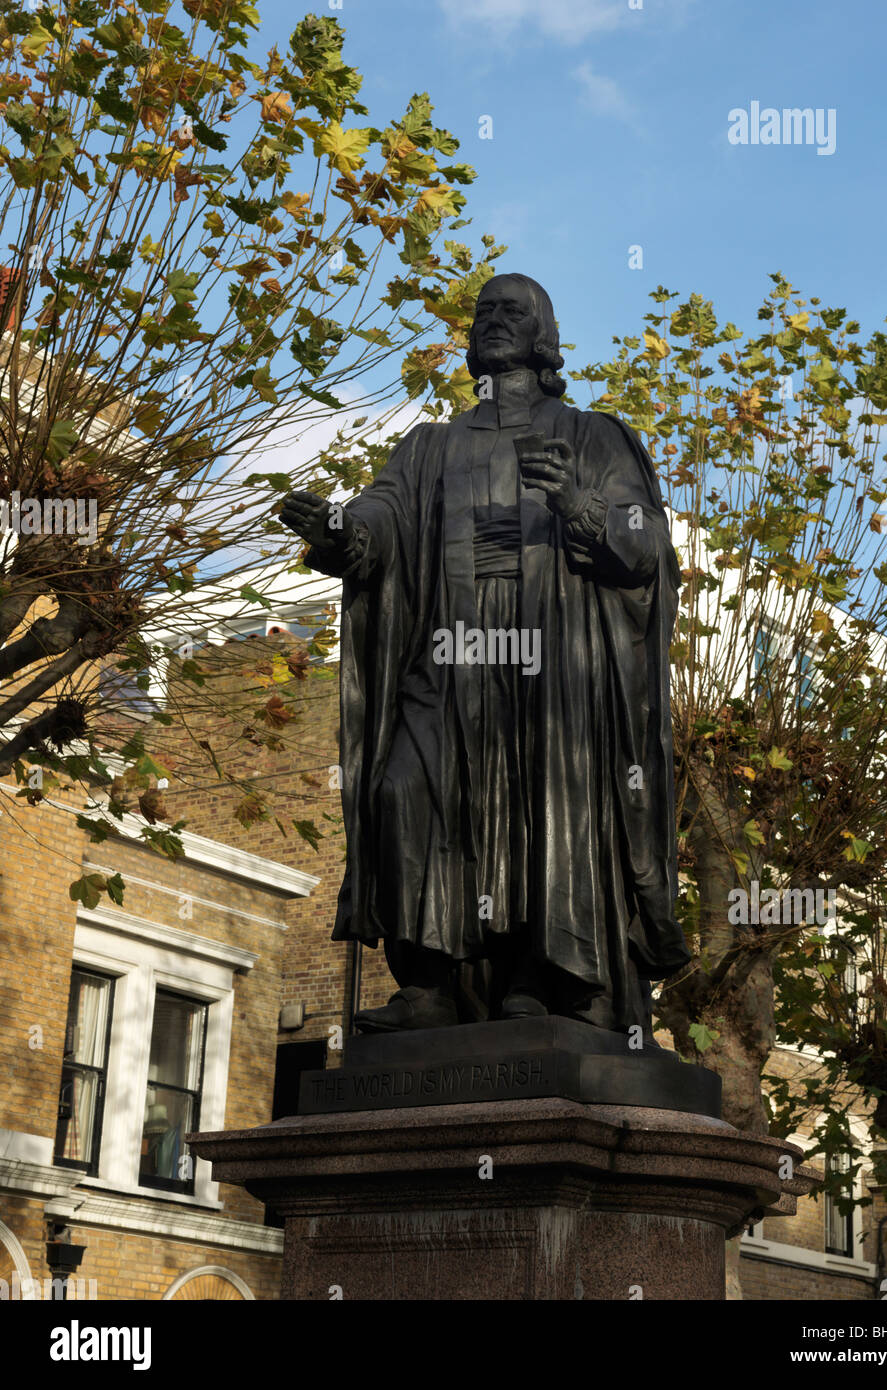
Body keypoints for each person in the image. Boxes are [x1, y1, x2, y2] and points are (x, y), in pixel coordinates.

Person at [281, 273, 690, 1033]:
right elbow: (382, 517)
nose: (495, 321)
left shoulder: (595, 435)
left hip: (552, 664)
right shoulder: (429, 446)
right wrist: (340, 532)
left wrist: (577, 501)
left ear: (543, 335)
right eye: (484, 312)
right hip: (452, 651)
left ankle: (542, 976)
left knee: (545, 809)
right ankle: (427, 986)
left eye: (514, 311)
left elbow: (643, 548)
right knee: (405, 792)